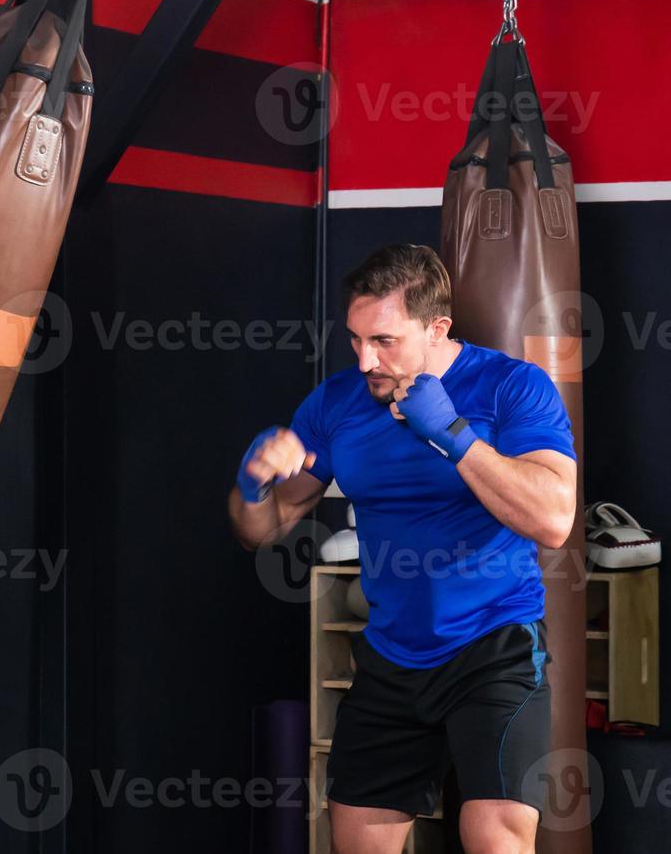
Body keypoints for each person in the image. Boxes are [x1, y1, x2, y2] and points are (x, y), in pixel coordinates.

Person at [228, 243, 577, 854]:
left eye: (384, 340)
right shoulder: (337, 403)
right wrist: (254, 481)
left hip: (493, 646)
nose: (366, 359)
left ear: (437, 327)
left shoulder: (511, 387)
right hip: (392, 654)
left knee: (497, 838)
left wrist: (455, 436)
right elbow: (263, 528)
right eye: (357, 340)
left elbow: (553, 519)